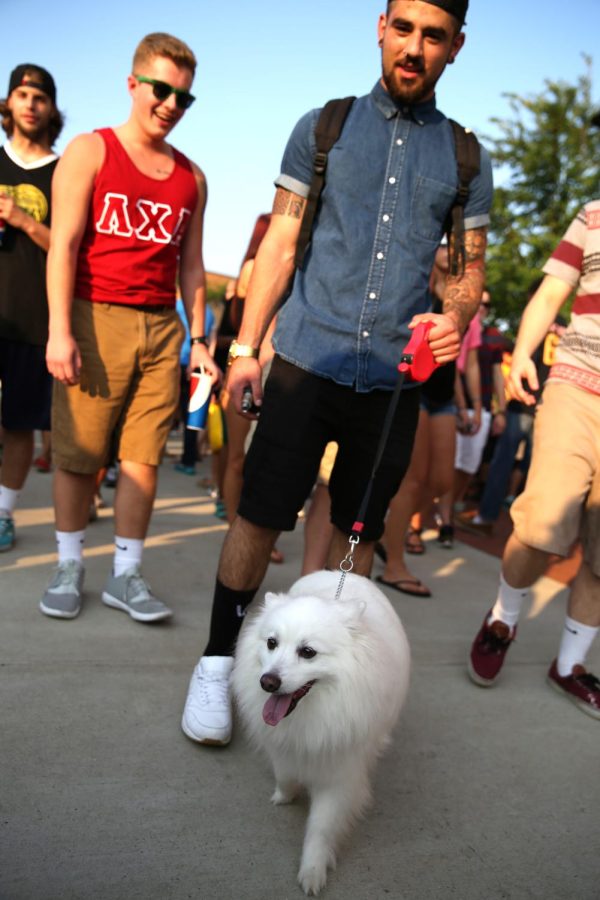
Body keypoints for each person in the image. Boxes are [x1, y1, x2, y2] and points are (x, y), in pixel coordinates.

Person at [181, 0, 493, 746]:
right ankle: (217, 663)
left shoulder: (464, 157)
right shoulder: (323, 126)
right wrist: (245, 348)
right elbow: (283, 241)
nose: (416, 47)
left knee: (357, 537)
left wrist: (452, 316)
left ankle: (331, 684)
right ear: (381, 27)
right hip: (303, 361)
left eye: (434, 35)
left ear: (456, 46)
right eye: (405, 28)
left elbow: (467, 270)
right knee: (260, 518)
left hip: (390, 382)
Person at [41, 33, 218, 622]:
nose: (170, 104)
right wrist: (59, 330)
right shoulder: (91, 150)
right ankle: (69, 564)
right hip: (96, 318)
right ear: (134, 84)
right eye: (162, 90)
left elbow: (190, 265)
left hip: (161, 327)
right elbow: (62, 246)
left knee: (143, 457)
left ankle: (127, 575)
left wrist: (198, 339)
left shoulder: (193, 177)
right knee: (80, 455)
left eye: (183, 98)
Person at [468, 200, 600, 719]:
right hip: (576, 383)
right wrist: (522, 352)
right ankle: (503, 617)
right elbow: (552, 291)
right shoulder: (592, 215)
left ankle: (569, 667)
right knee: (543, 523)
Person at [0, 64, 62, 551]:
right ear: (9, 103)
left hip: (34, 322)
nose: (30, 103)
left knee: (18, 424)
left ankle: (3, 513)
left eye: (39, 96)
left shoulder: (62, 172)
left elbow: (66, 245)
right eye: (21, 93)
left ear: (50, 108)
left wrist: (20, 218)